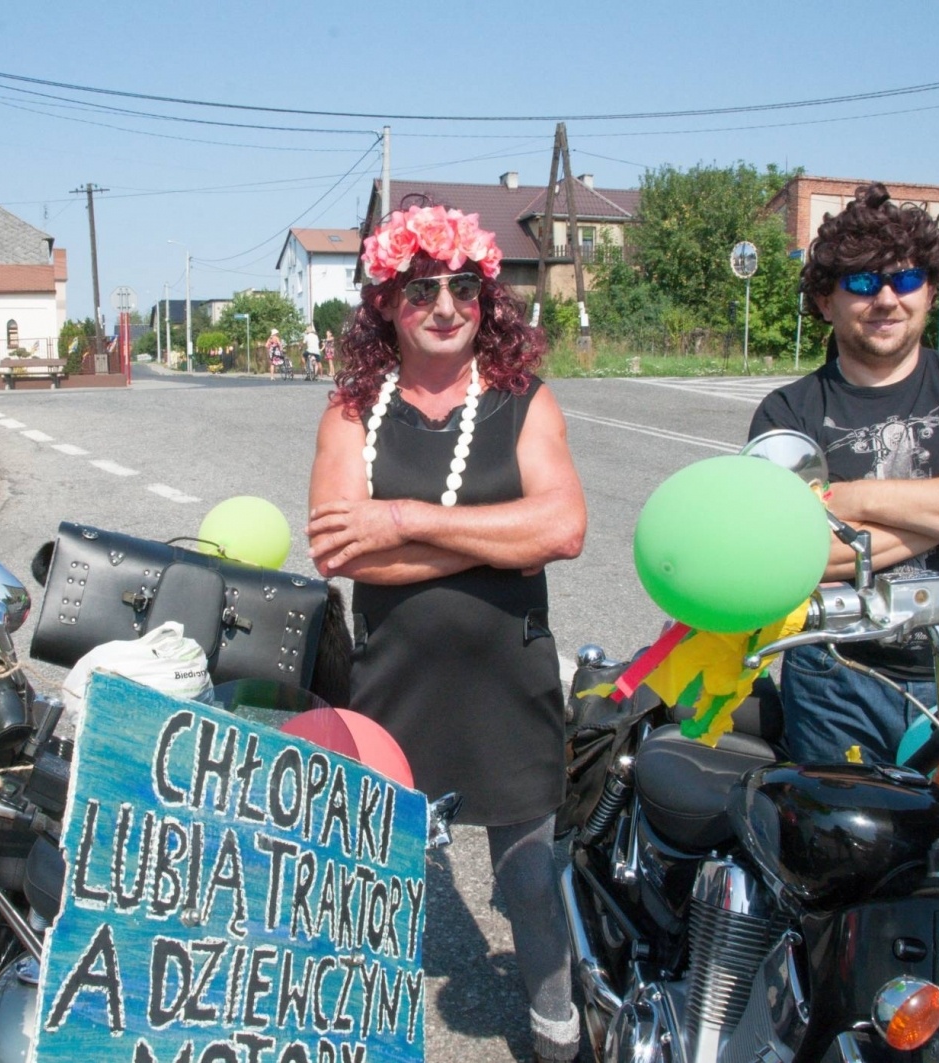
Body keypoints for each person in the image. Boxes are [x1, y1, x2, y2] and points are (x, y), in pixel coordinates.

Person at [307, 202, 587, 1063]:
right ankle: (365, 1037)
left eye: (462, 287)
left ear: (486, 297)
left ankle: (557, 1030)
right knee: (375, 884)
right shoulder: (352, 409)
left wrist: (401, 518)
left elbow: (564, 527)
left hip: (511, 686)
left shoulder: (525, 402)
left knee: (532, 882)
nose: (444, 306)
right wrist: (492, 540)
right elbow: (337, 547)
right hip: (395, 691)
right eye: (421, 288)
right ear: (387, 303)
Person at [749, 183, 939, 766]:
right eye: (863, 283)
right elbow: (789, 557)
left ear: (931, 291)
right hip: (836, 677)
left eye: (907, 280)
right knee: (842, 847)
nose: (887, 298)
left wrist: (855, 497)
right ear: (825, 301)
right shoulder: (788, 413)